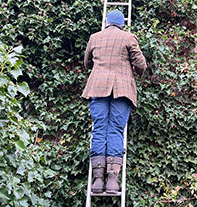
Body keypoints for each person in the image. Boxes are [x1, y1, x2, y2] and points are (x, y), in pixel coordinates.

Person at [81, 10, 147, 194]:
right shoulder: (129, 37)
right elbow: (141, 64)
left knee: (100, 128)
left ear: (106, 22)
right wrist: (135, 71)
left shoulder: (95, 37)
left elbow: (87, 63)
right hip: (122, 89)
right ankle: (112, 179)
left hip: (97, 87)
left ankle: (97, 179)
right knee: (116, 129)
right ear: (122, 24)